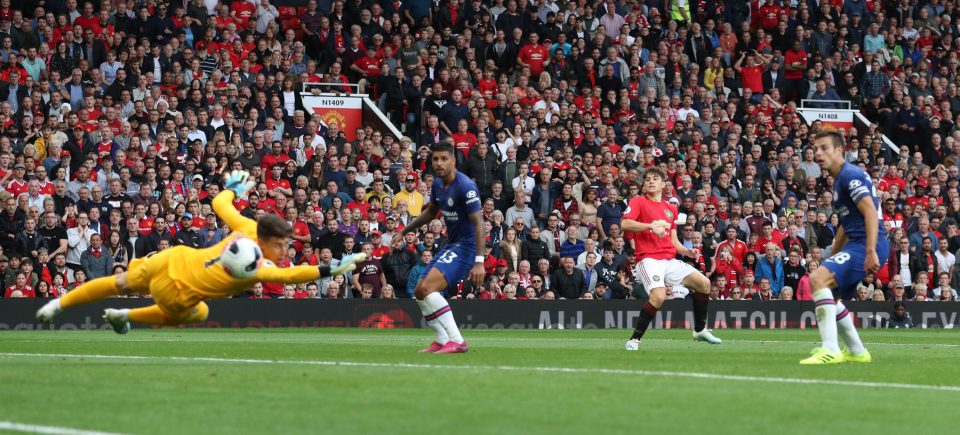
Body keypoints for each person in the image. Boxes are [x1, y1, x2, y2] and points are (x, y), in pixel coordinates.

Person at [36, 171, 364, 333]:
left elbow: (220, 203)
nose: (285, 249)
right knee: (200, 313)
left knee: (117, 284)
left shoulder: (247, 228)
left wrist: (233, 189)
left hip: (171, 258)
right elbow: (290, 274)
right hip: (176, 294)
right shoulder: (255, 266)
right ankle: (128, 317)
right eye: (282, 244)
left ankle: (60, 304)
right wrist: (330, 270)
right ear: (268, 241)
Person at [801, 131, 888, 364]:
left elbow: (870, 210)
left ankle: (830, 349)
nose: (818, 153)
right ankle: (857, 351)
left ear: (840, 150)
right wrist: (834, 256)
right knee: (831, 294)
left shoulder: (849, 175)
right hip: (858, 244)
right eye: (816, 148)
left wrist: (870, 251)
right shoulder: (840, 179)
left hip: (868, 245)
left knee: (818, 280)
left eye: (824, 148)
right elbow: (844, 227)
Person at [620, 167, 721, 350]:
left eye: (655, 179)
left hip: (669, 260)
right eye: (648, 179)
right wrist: (650, 226)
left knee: (704, 284)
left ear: (663, 183)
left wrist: (687, 252)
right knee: (658, 297)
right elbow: (625, 224)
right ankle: (634, 339)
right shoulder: (638, 201)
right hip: (649, 259)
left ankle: (699, 330)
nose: (651, 181)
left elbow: (673, 240)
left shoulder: (671, 209)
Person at [400, 142, 484, 354]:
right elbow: (430, 213)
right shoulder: (437, 185)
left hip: (467, 247)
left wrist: (479, 262)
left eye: (444, 159)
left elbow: (479, 224)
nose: (438, 163)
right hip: (452, 244)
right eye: (435, 159)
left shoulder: (465, 187)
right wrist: (403, 231)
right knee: (420, 291)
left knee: (427, 289)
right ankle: (441, 339)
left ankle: (457, 341)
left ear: (453, 161)